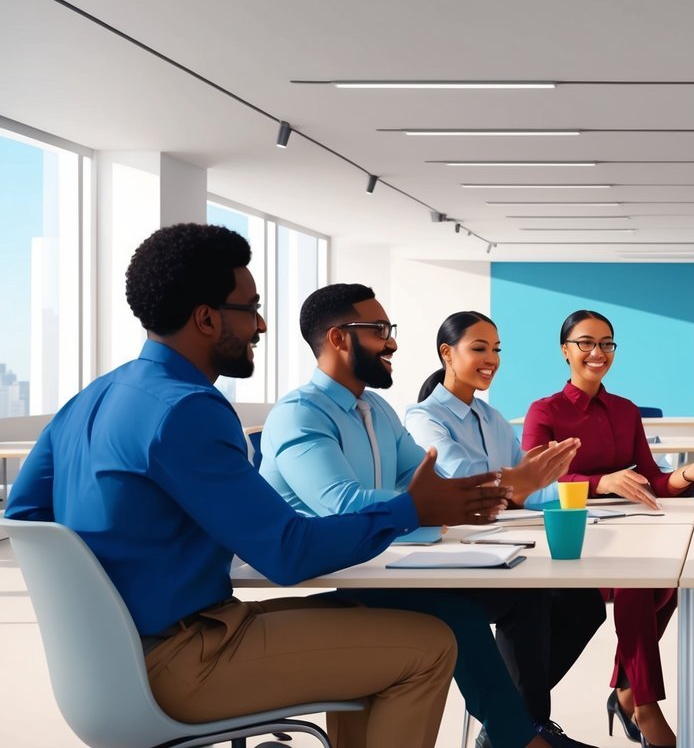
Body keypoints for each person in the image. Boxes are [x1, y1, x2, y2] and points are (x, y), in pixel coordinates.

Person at [4, 224, 467, 748]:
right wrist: (408, 510)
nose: (262, 324)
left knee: (376, 614)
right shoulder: (188, 409)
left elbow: (25, 516)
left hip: (103, 666)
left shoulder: (88, 399)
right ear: (206, 318)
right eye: (251, 308)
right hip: (180, 661)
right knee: (429, 646)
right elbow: (287, 554)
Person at [260, 285, 590, 748]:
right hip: (328, 573)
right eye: (379, 331)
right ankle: (520, 740)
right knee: (454, 611)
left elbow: (427, 481)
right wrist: (483, 494)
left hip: (376, 568)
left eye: (389, 330)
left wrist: (508, 487)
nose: (391, 341)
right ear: (338, 339)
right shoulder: (299, 416)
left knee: (526, 595)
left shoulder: (376, 410)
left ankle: (519, 729)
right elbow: (343, 505)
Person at [521, 309, 694, 748]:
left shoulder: (624, 411)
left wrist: (689, 473)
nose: (597, 352)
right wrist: (600, 482)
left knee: (675, 579)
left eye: (606, 343)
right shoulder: (544, 411)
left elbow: (651, 479)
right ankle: (643, 703)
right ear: (565, 351)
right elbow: (533, 483)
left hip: (628, 532)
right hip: (572, 539)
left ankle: (625, 690)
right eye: (585, 343)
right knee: (639, 584)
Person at [404, 310, 608, 741]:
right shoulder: (424, 418)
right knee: (532, 597)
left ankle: (512, 725)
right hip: (451, 553)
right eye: (479, 348)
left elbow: (526, 487)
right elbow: (470, 484)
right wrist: (519, 483)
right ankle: (524, 727)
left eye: (496, 350)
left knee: (584, 603)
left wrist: (592, 494)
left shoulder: (492, 417)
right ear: (447, 353)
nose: (491, 359)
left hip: (500, 546)